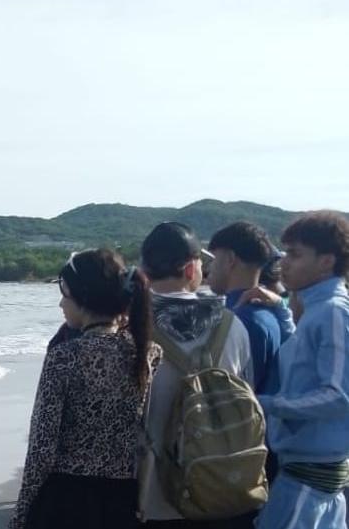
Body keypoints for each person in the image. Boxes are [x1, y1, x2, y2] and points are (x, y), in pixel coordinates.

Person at [9, 249, 160, 529]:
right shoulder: (148, 354)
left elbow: (42, 448)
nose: (61, 305)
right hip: (121, 499)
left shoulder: (65, 356)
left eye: (65, 295)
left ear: (83, 298)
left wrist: (21, 513)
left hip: (65, 499)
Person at [137, 221, 256, 528]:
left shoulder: (128, 329)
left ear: (143, 272)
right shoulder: (233, 326)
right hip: (222, 488)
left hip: (152, 496)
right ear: (191, 270)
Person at [255, 211, 349, 529]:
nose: (284, 263)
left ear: (327, 261)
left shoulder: (333, 312)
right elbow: (307, 361)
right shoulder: (319, 310)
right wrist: (282, 313)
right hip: (309, 480)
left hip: (309, 486)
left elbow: (339, 396)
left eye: (295, 255)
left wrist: (264, 404)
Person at [206, 221, 295, 395]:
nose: (210, 268)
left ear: (231, 259)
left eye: (214, 259)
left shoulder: (238, 319)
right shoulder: (270, 313)